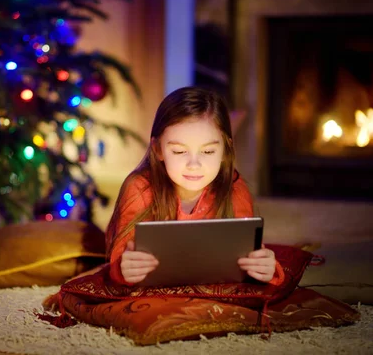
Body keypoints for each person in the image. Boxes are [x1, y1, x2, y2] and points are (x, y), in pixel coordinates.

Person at [105, 86, 283, 286]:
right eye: (180, 152)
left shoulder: (234, 188)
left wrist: (264, 268)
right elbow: (119, 257)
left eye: (207, 152)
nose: (194, 164)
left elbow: (251, 254)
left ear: (225, 150)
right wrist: (125, 268)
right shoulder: (140, 188)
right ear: (158, 150)